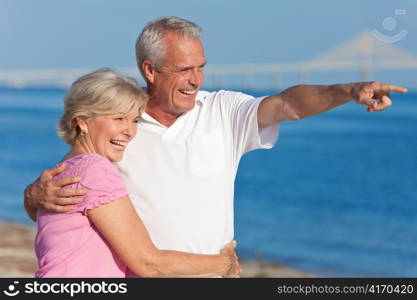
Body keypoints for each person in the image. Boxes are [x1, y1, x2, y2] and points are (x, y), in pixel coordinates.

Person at [24, 17, 407, 269]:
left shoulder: (222, 110)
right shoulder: (119, 124)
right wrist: (33, 196)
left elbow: (289, 104)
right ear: (150, 70)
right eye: (184, 69)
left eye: (201, 67)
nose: (196, 80)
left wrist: (349, 89)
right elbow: (71, 190)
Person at [33, 69, 239, 277]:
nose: (129, 130)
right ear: (83, 121)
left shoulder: (64, 169)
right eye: (119, 118)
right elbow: (150, 264)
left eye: (134, 120)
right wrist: (224, 263)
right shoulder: (94, 170)